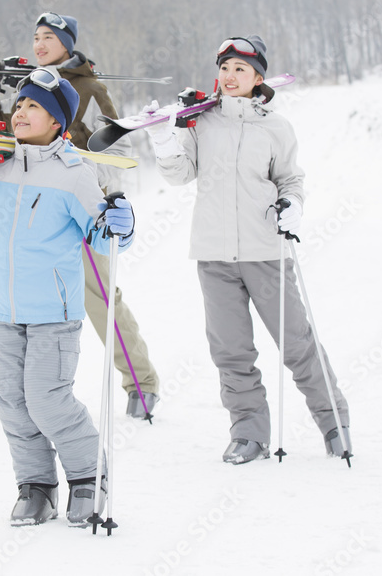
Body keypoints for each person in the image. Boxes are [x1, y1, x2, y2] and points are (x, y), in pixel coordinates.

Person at [0, 70, 135, 527]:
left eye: (33, 107)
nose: (20, 112)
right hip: (3, 310)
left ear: (58, 122)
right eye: (19, 105)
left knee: (46, 399)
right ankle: (35, 486)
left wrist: (120, 222)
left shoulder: (74, 174)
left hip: (53, 314)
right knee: (13, 405)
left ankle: (86, 476)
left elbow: (104, 238)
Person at [149, 35, 352, 464]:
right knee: (231, 350)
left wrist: (293, 205)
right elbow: (180, 174)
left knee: (297, 342)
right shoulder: (201, 122)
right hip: (214, 256)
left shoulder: (276, 128)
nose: (230, 76)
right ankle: (248, 434)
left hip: (265, 252)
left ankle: (333, 423)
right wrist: (166, 142)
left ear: (258, 77)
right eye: (224, 68)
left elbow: (290, 180)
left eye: (240, 69)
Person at [0, 11, 161, 419]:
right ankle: (30, 396)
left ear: (67, 44)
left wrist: (93, 187)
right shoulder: (29, 91)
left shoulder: (88, 88)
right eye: (35, 37)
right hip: (33, 209)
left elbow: (113, 147)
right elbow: (5, 142)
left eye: (49, 37)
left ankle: (141, 383)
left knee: (98, 296)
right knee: (27, 298)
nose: (39, 44)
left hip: (79, 203)